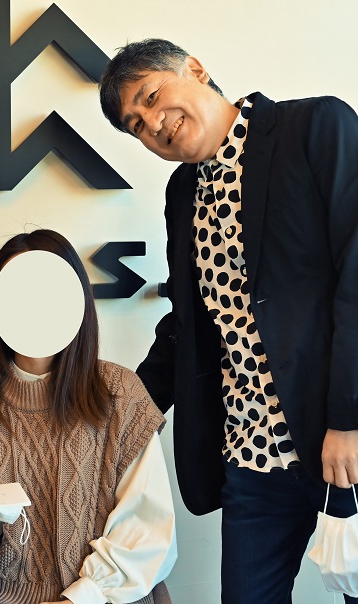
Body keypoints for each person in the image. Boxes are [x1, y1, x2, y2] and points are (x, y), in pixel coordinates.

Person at [99, 38, 358, 603]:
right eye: (136, 125)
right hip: (252, 453)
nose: (153, 124)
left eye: (152, 97)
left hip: (341, 442)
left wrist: (349, 421)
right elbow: (188, 327)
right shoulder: (182, 192)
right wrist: (118, 412)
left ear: (195, 69)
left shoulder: (316, 128)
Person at [0, 229, 177, 604]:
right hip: (5, 595)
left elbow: (147, 528)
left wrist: (84, 595)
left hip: (106, 598)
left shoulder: (122, 394)